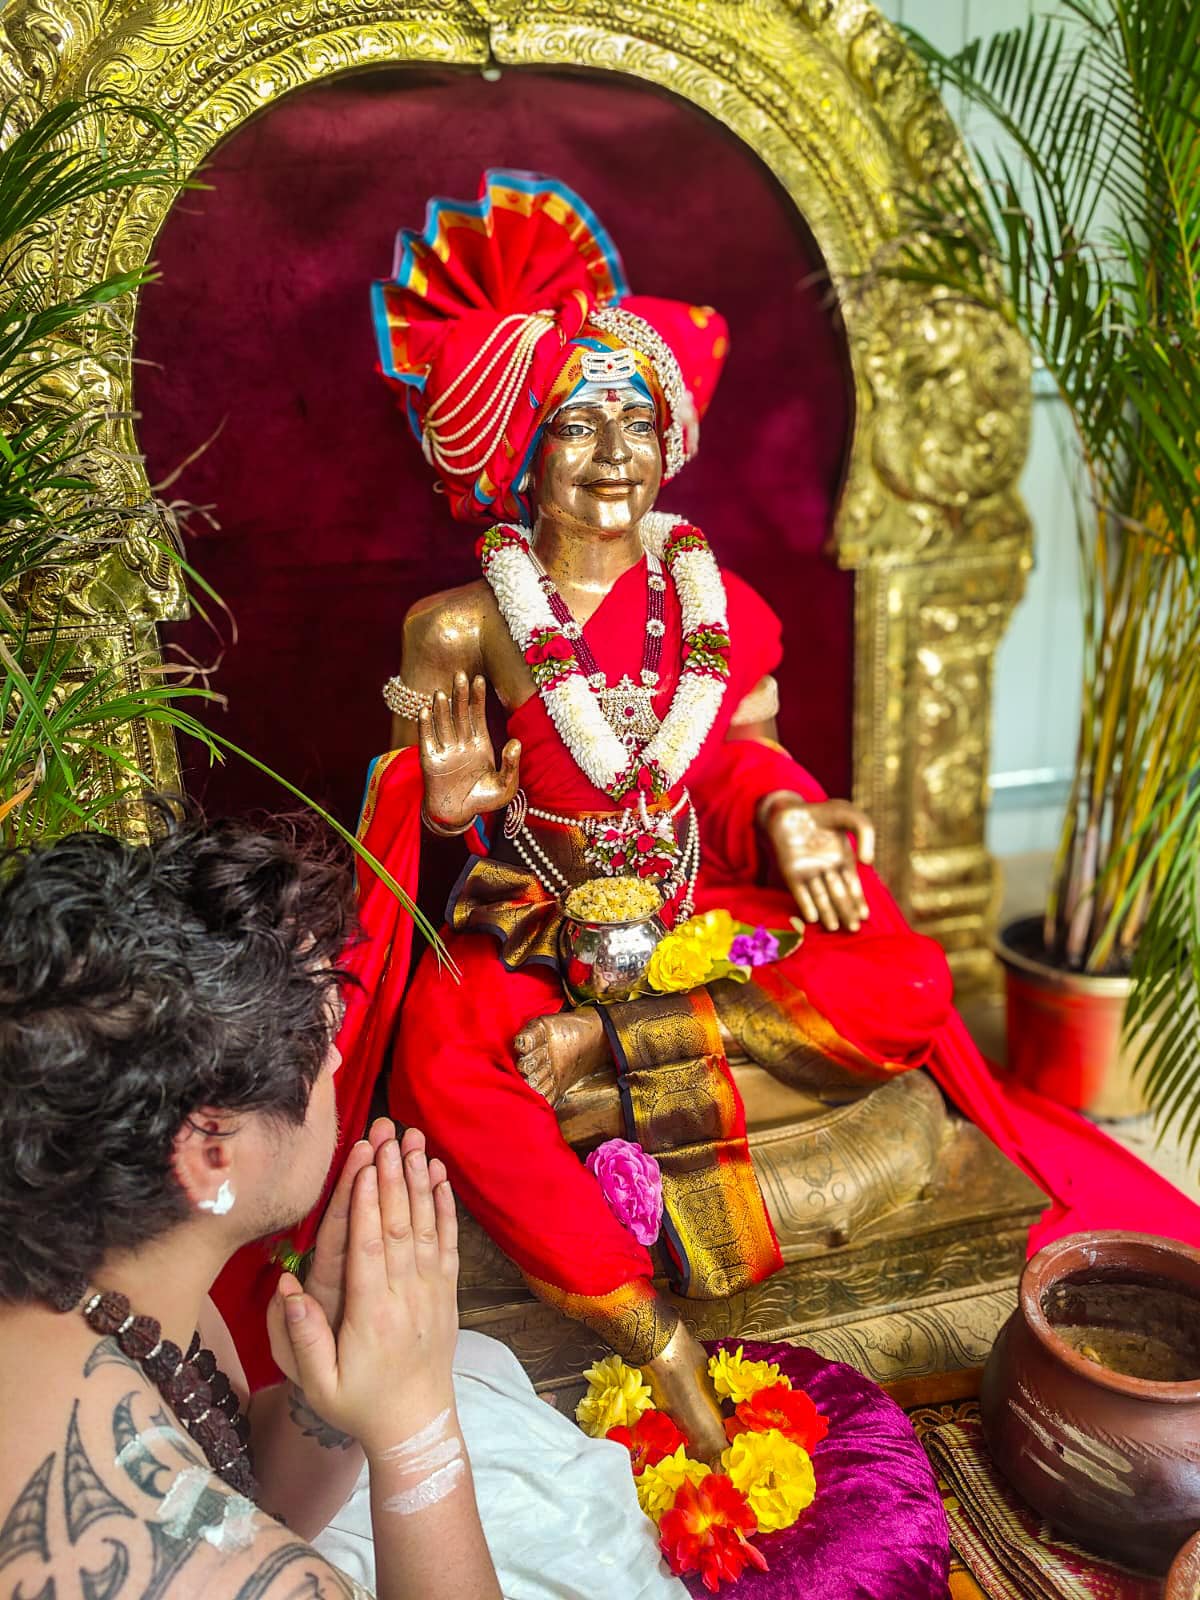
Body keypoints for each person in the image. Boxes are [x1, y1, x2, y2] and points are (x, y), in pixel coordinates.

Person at [0, 819, 677, 1600]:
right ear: (212, 1152)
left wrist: (329, 1400)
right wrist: (417, 1432)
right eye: (315, 1044)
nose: (339, 1058)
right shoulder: (232, 1578)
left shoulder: (107, 1275)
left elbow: (255, 1498)